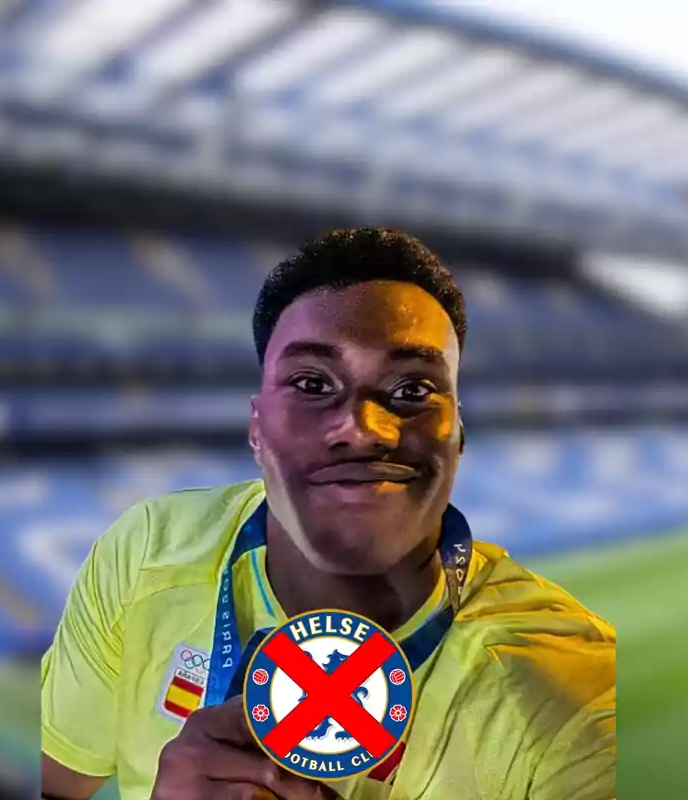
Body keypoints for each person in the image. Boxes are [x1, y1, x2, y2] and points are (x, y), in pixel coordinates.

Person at [41, 228, 616, 800]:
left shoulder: (573, 692)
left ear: (458, 431)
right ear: (257, 427)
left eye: (413, 390)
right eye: (313, 384)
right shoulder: (147, 552)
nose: (363, 429)